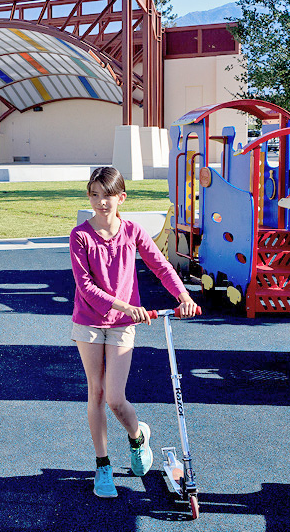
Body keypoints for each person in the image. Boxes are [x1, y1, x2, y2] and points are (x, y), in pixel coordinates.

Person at [70, 166, 197, 498]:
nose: (101, 203)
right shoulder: (80, 235)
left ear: (120, 198)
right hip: (89, 322)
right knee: (95, 393)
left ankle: (138, 436)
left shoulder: (132, 231)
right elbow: (85, 287)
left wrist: (183, 296)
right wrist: (126, 306)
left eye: (107, 196)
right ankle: (102, 466)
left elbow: (159, 265)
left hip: (122, 327)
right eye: (94, 195)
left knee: (115, 397)